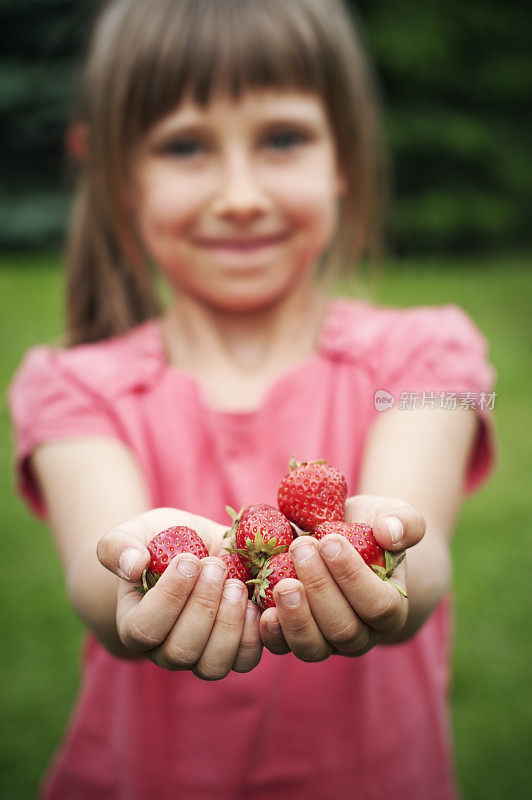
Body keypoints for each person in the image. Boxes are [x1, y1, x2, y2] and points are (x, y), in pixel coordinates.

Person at [7, 1, 498, 798]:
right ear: (114, 170)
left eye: (282, 138)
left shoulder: (425, 355)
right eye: (186, 146)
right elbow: (100, 579)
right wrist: (143, 571)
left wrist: (381, 547)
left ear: (343, 152)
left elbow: (422, 540)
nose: (241, 195)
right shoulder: (73, 386)